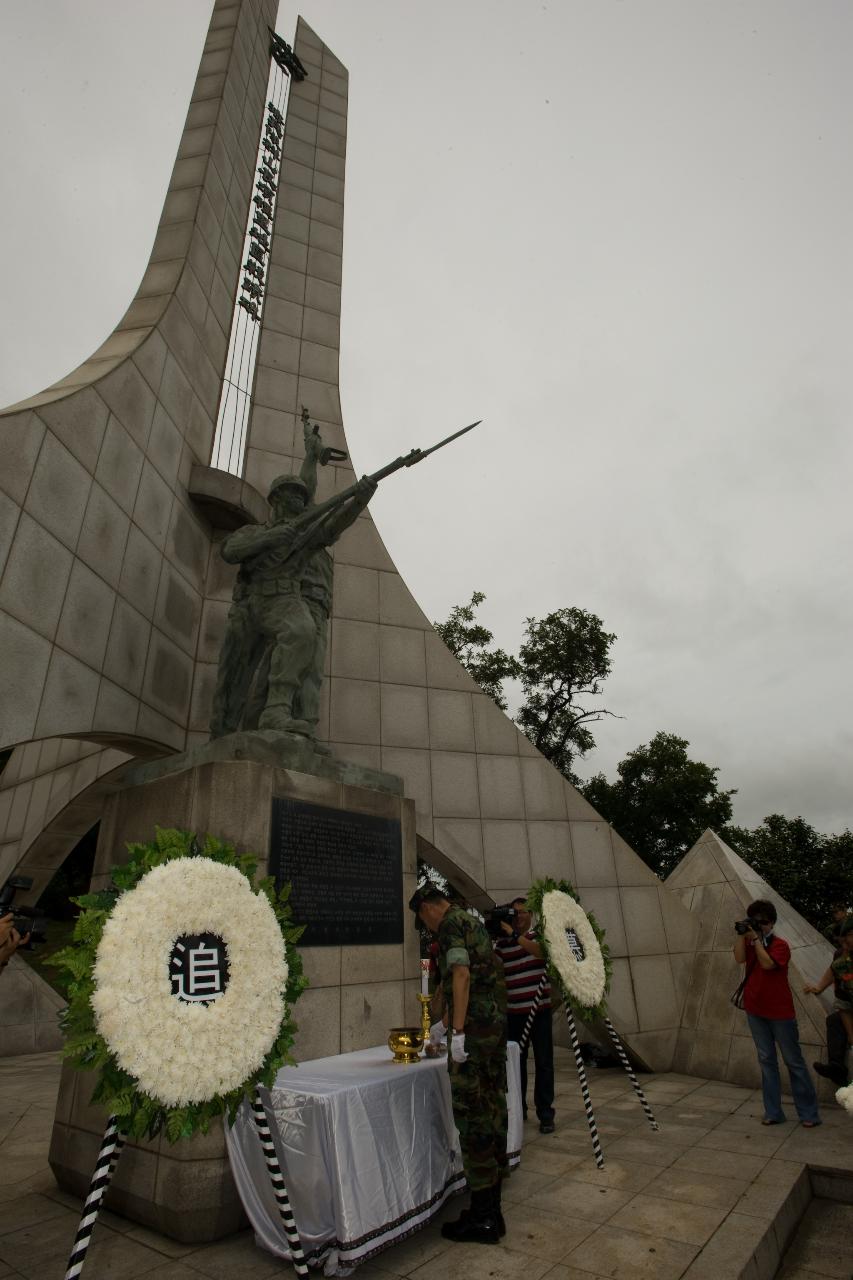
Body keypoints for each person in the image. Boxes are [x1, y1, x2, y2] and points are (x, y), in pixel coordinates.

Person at [209, 419, 376, 742]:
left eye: (301, 497)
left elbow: (331, 527)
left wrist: (360, 499)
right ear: (276, 500)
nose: (299, 501)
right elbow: (230, 550)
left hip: (282, 600)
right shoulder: (256, 532)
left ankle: (277, 711)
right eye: (292, 496)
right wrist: (270, 540)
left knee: (301, 632)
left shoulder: (303, 535)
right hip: (249, 606)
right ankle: (223, 735)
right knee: (234, 676)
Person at [409, 884, 507, 1245]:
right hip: (493, 1031)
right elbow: (484, 976)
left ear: (427, 909)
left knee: (473, 1118)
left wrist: (460, 1032)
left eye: (423, 921)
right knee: (492, 1112)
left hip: (475, 1037)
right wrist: (445, 1020)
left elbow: (461, 974)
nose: (428, 928)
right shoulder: (473, 921)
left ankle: (483, 1219)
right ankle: (492, 1211)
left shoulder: (449, 924)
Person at [733, 899, 820, 1127]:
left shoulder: (780, 945)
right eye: (754, 921)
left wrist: (758, 941)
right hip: (755, 1009)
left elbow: (768, 965)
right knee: (766, 1061)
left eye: (761, 922)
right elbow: (739, 958)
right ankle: (773, 1112)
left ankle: (809, 1113)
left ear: (771, 923)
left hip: (780, 1013)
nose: (757, 926)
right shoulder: (750, 942)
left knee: (794, 1061)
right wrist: (741, 934)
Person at [493, 896, 555, 1133]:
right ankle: (519, 1109)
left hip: (539, 1011)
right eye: (515, 913)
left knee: (544, 1063)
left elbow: (542, 953)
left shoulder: (539, 936)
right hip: (515, 1013)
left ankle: (546, 1113)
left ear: (531, 914)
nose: (519, 917)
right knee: (516, 1064)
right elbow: (493, 965)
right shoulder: (503, 944)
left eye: (522, 912)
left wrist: (515, 937)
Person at [804, 921, 853, 1085]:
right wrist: (818, 987)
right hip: (848, 1006)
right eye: (845, 939)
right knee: (834, 1021)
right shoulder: (841, 958)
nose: (845, 944)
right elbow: (833, 973)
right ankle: (837, 1067)